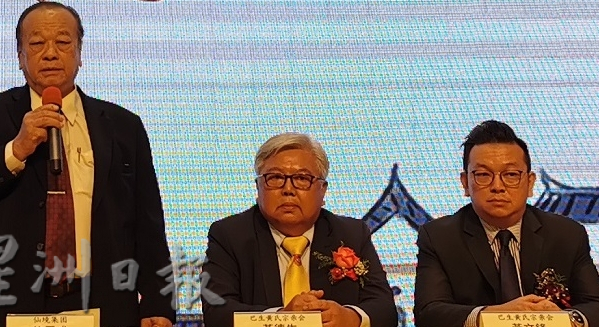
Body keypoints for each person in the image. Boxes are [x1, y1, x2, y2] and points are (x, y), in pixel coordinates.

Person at [0, 1, 175, 327]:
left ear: (80, 54)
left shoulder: (123, 126)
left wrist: (158, 302)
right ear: (20, 56)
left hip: (102, 302)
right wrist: (15, 150)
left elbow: (148, 222)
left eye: (63, 42)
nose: (50, 53)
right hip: (9, 302)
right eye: (37, 43)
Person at [414, 120, 599, 327]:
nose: (497, 186)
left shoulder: (567, 234)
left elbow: (594, 305)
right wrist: (498, 315)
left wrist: (563, 320)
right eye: (483, 175)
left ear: (530, 183)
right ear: (465, 183)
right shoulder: (439, 238)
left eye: (511, 175)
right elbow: (428, 313)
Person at [202, 132, 396, 327]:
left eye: (302, 178)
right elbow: (216, 313)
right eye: (275, 177)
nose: (288, 189)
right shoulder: (229, 235)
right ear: (258, 187)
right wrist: (281, 318)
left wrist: (351, 317)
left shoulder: (351, 233)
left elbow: (385, 310)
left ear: (322, 190)